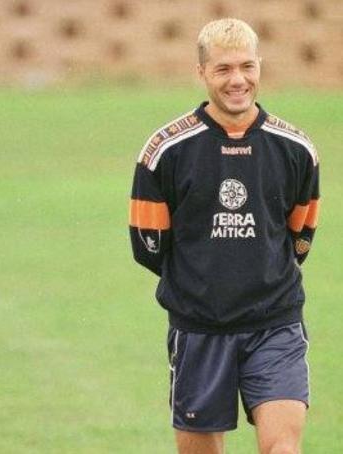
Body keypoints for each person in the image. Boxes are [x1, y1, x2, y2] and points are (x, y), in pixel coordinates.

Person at [129, 18, 319, 454]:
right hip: (199, 329)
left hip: (275, 323)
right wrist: (204, 279)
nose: (239, 80)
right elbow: (148, 245)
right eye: (224, 69)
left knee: (283, 449)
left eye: (247, 67)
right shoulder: (165, 151)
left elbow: (301, 235)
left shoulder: (296, 149)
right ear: (202, 73)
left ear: (260, 66)